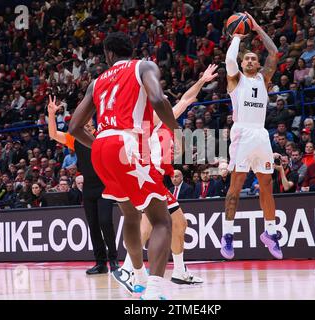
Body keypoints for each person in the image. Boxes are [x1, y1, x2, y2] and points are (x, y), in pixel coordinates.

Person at [69, 32, 180, 300]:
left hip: (101, 150)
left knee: (130, 215)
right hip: (127, 142)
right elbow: (157, 99)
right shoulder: (144, 66)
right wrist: (175, 128)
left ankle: (139, 279)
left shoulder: (96, 82)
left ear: (108, 54)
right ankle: (153, 292)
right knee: (162, 220)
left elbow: (73, 126)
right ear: (132, 50)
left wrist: (98, 143)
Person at [113, 64, 219, 292]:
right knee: (150, 223)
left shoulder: (161, 117)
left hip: (154, 179)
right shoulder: (145, 123)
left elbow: (186, 99)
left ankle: (179, 272)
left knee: (179, 223)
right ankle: (128, 268)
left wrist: (201, 80)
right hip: (145, 177)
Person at [221, 13, 283, 260]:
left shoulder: (263, 78)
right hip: (242, 132)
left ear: (258, 65)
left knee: (266, 185)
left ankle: (270, 232)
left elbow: (275, 52)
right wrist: (236, 37)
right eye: (245, 58)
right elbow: (228, 59)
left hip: (261, 134)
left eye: (252, 58)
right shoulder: (235, 80)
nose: (248, 60)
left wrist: (257, 28)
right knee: (236, 185)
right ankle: (227, 234)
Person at [48, 96, 119, 275]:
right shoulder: (75, 139)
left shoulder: (102, 137)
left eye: (88, 124)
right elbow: (53, 135)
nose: (85, 127)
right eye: (82, 124)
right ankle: (100, 263)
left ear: (93, 126)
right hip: (88, 188)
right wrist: (51, 115)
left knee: (105, 222)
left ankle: (114, 261)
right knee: (93, 226)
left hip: (105, 186)